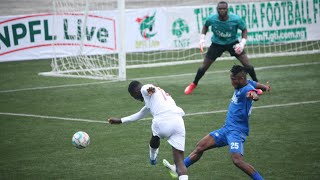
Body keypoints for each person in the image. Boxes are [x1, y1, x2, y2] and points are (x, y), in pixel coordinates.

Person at [163, 65, 270, 180]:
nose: (232, 82)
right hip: (226, 129)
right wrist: (265, 87)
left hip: (236, 132)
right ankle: (177, 168)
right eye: (231, 79)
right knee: (200, 147)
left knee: (237, 160)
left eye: (234, 80)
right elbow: (256, 84)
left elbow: (254, 94)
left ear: (241, 79)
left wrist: (254, 96)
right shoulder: (247, 82)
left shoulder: (247, 90)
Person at [108, 80, 188, 180]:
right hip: (178, 121)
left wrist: (150, 89)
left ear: (135, 92)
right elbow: (141, 113)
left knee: (155, 135)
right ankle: (154, 158)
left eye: (134, 97)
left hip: (163, 120)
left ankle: (153, 157)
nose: (136, 99)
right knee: (180, 163)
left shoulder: (144, 89)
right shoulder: (155, 97)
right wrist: (120, 120)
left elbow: (147, 88)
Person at [184, 1, 259, 95]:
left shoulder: (235, 19)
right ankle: (193, 84)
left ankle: (257, 84)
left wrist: (242, 43)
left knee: (248, 65)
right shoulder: (212, 18)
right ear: (217, 10)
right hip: (217, 44)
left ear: (227, 9)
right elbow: (206, 26)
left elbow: (244, 29)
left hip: (232, 43)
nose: (222, 10)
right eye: (220, 9)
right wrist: (202, 38)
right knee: (204, 67)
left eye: (224, 8)